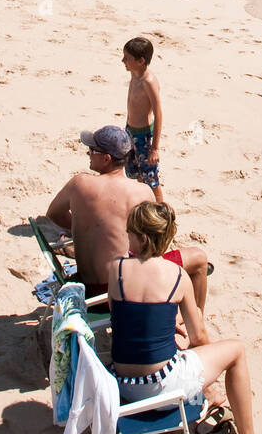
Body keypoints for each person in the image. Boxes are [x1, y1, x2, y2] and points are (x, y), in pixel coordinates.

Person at [108, 203, 262, 434]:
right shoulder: (177, 277)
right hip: (160, 388)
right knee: (236, 351)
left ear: (142, 238)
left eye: (129, 232)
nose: (127, 237)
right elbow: (199, 338)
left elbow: (122, 318)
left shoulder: (116, 269)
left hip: (122, 383)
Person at [44, 126, 210, 309]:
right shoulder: (140, 192)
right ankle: (195, 328)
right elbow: (156, 246)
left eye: (92, 150)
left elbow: (53, 214)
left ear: (107, 158)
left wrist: (86, 231)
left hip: (86, 289)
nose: (88, 153)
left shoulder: (79, 183)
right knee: (199, 258)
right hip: (119, 292)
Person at [122, 36, 164, 203]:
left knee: (151, 177)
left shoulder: (149, 82)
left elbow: (158, 114)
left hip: (144, 136)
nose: (123, 60)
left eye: (127, 58)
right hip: (130, 130)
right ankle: (145, 204)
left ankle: (161, 209)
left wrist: (154, 148)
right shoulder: (134, 73)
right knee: (135, 173)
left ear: (141, 61)